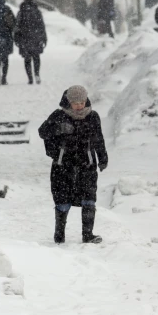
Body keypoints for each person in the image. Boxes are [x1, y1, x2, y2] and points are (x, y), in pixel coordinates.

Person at [38, 85, 108, 244]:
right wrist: (57, 130)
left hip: (87, 164)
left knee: (89, 198)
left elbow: (99, 139)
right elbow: (43, 132)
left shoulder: (93, 116)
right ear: (69, 102)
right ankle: (59, 235)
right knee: (62, 198)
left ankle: (88, 235)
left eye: (82, 102)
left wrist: (103, 158)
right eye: (76, 102)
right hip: (63, 165)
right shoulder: (58, 116)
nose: (79, 105)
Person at [14, 0, 47, 85]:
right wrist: (44, 38)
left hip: (24, 39)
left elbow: (17, 26)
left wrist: (16, 38)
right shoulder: (37, 12)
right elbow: (42, 26)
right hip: (36, 38)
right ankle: (37, 74)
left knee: (27, 59)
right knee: (36, 57)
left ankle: (30, 78)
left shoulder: (21, 12)